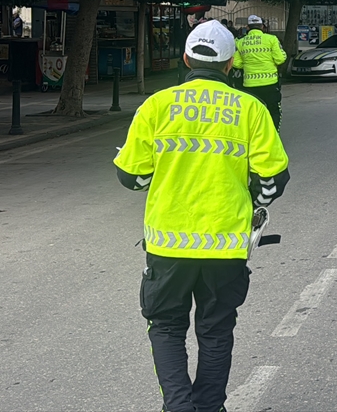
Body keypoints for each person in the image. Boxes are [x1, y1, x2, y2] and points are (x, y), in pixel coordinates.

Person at [114, 20, 290, 412]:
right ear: (230, 64)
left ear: (186, 58)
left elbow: (132, 177)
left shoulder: (157, 106)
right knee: (215, 331)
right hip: (225, 246)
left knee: (166, 327)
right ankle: (210, 407)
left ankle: (178, 406)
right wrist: (252, 200)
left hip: (168, 245)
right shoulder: (250, 109)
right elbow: (274, 181)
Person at [233, 15, 286, 129]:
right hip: (270, 83)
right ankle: (274, 135)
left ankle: (256, 136)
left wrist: (248, 64)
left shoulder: (240, 42)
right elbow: (280, 59)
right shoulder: (271, 39)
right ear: (262, 26)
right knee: (274, 110)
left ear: (247, 27)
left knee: (253, 112)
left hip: (250, 85)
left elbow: (236, 63)